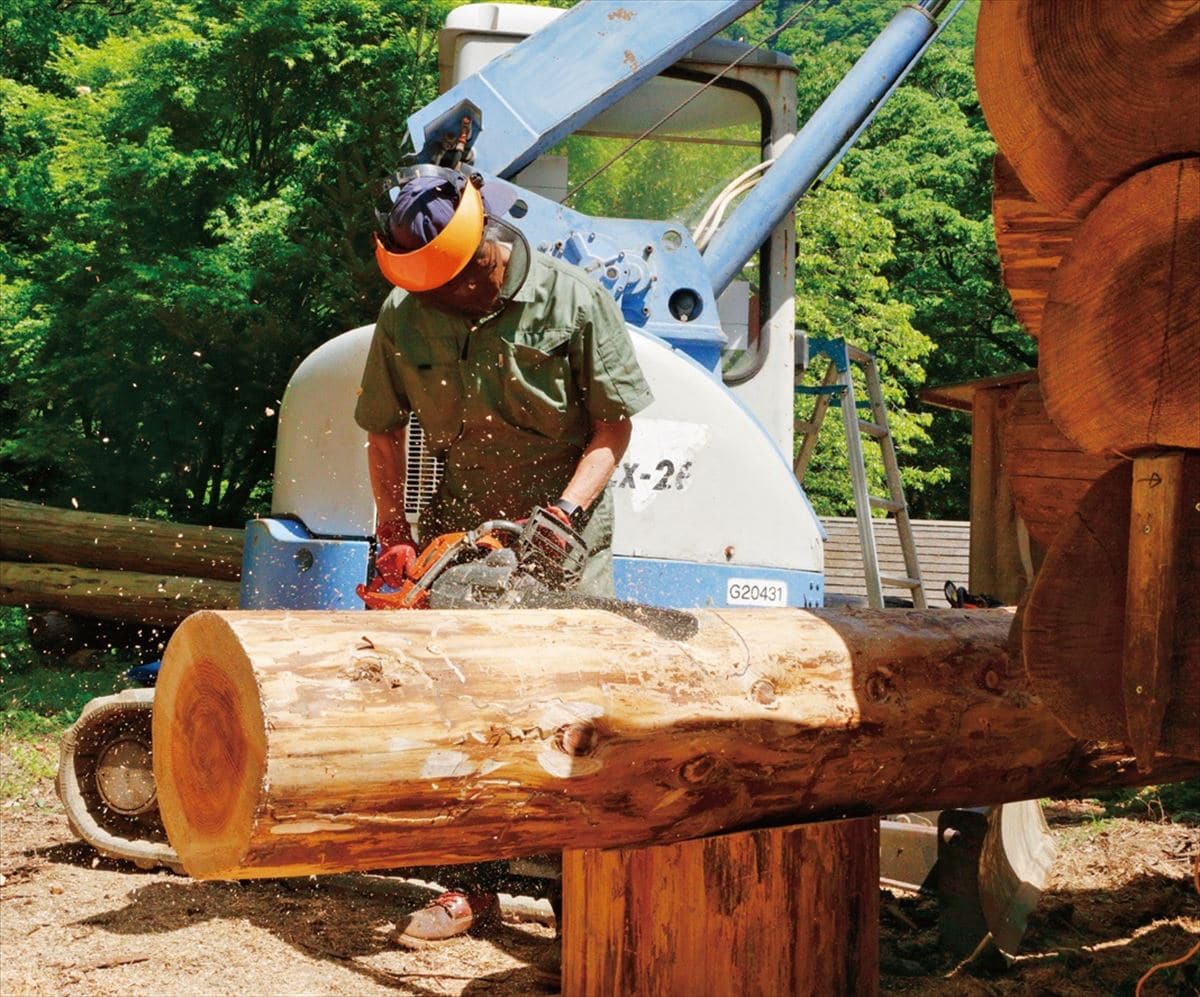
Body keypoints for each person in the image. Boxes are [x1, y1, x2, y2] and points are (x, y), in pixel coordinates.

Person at [354, 165, 653, 946]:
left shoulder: (572, 300)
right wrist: (394, 532)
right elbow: (383, 429)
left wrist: (568, 510)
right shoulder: (404, 314)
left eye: (447, 284)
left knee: (569, 719)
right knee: (469, 714)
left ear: (483, 252)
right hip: (461, 542)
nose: (437, 300)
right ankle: (470, 886)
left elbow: (612, 427)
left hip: (567, 537)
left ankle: (575, 907)